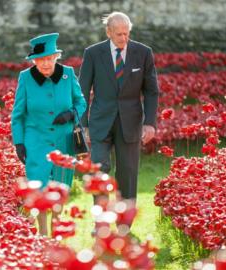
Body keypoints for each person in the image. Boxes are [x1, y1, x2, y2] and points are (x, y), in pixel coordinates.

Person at [79, 12, 159, 237]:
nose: (123, 38)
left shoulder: (143, 53)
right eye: (118, 34)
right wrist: (82, 125)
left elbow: (151, 90)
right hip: (99, 123)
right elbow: (82, 90)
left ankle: (124, 226)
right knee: (99, 170)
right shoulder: (93, 53)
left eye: (126, 33)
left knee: (127, 174)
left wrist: (150, 123)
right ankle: (101, 223)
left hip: (131, 124)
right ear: (108, 32)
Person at [11, 33, 87, 236]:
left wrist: (71, 113)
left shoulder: (67, 74)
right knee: (40, 187)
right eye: (40, 59)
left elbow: (81, 102)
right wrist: (19, 142)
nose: (45, 63)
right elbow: (18, 114)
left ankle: (57, 228)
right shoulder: (26, 78)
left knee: (60, 186)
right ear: (34, 60)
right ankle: (43, 233)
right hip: (36, 141)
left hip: (63, 140)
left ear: (56, 57)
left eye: (49, 58)